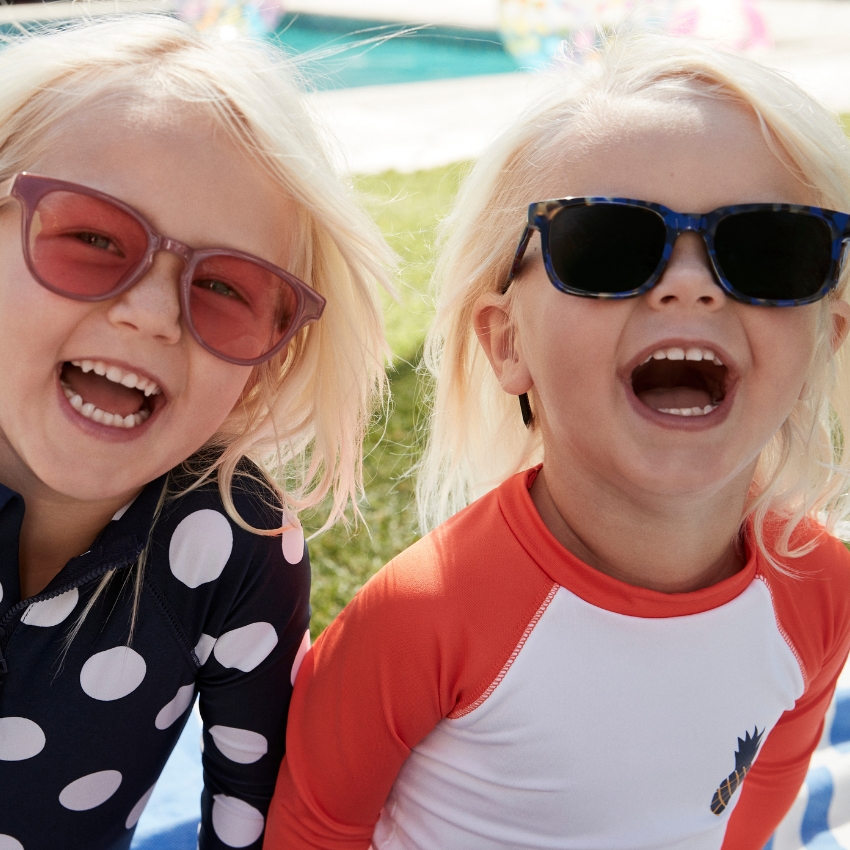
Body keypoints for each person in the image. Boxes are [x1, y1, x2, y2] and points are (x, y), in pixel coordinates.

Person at [266, 31, 850, 850]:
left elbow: (775, 767)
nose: (691, 283)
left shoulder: (821, 590)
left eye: (769, 249)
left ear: (828, 336)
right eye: (607, 244)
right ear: (509, 345)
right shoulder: (426, 617)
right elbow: (315, 826)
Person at [0, 14, 389, 850]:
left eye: (226, 287)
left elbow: (256, 816)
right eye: (93, 238)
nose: (150, 314)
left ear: (270, 364)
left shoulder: (230, 539)